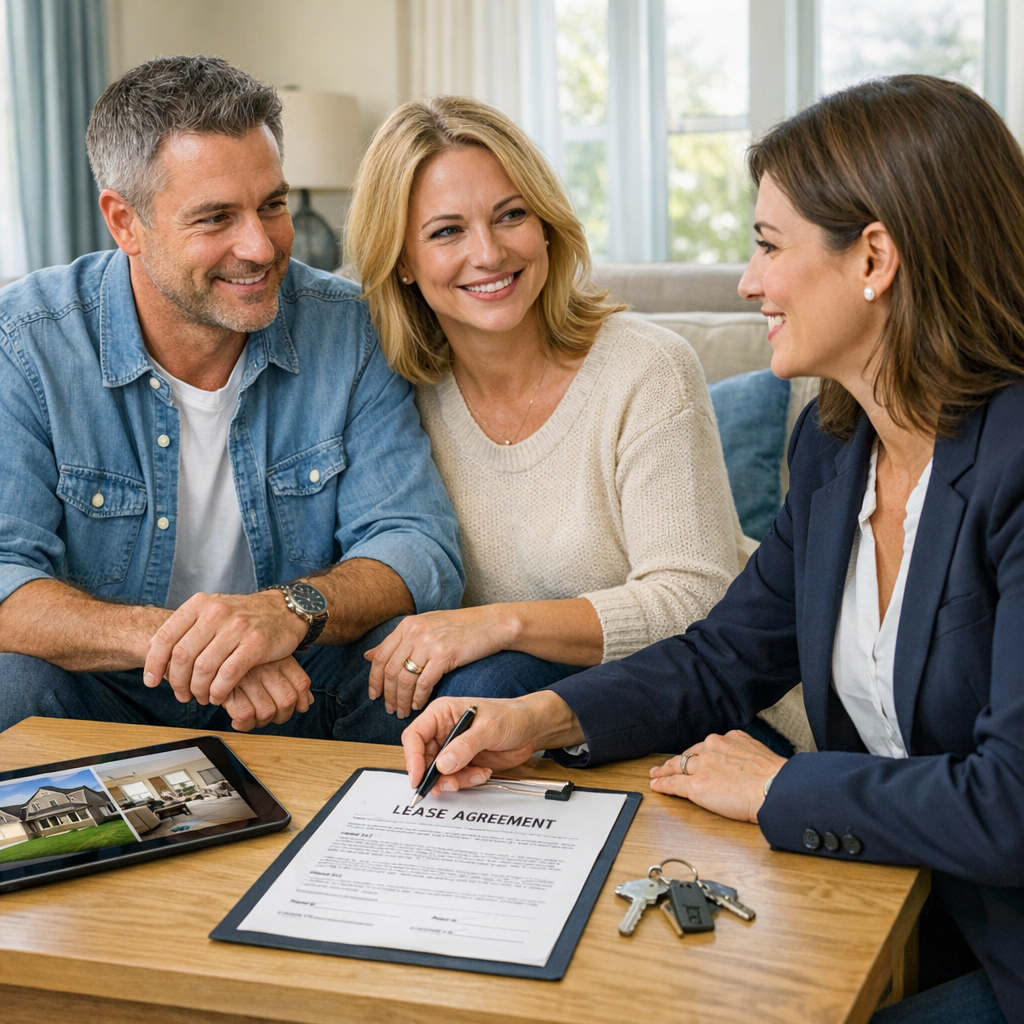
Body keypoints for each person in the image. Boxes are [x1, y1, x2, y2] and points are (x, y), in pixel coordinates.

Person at [400, 76, 1024, 1024]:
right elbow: (722, 657)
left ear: (874, 257)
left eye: (769, 245)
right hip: (909, 912)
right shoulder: (837, 447)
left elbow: (1010, 804)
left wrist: (779, 785)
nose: (748, 282)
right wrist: (535, 719)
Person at [0, 56, 463, 741]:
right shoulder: (25, 344)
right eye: (216, 218)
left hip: (300, 682)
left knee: (465, 682)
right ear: (125, 222)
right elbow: (6, 576)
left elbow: (414, 543)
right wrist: (200, 645)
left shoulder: (350, 327)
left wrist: (286, 612)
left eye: (272, 204)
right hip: (109, 687)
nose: (261, 246)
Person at [345, 96, 750, 724]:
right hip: (525, 721)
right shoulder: (393, 395)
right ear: (401, 261)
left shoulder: (647, 367)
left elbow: (696, 600)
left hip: (709, 706)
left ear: (546, 225)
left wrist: (499, 623)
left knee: (492, 682)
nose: (489, 253)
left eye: (511, 215)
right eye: (447, 231)